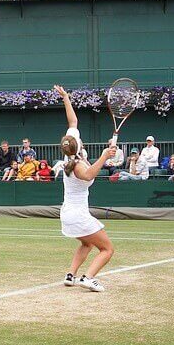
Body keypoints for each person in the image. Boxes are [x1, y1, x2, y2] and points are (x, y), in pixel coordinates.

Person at [56, 84, 116, 293]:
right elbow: (90, 174)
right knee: (107, 249)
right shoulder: (79, 166)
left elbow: (73, 121)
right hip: (78, 215)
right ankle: (88, 278)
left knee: (86, 244)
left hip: (68, 215)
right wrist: (105, 156)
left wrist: (65, 97)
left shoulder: (70, 151)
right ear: (77, 145)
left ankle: (70, 275)